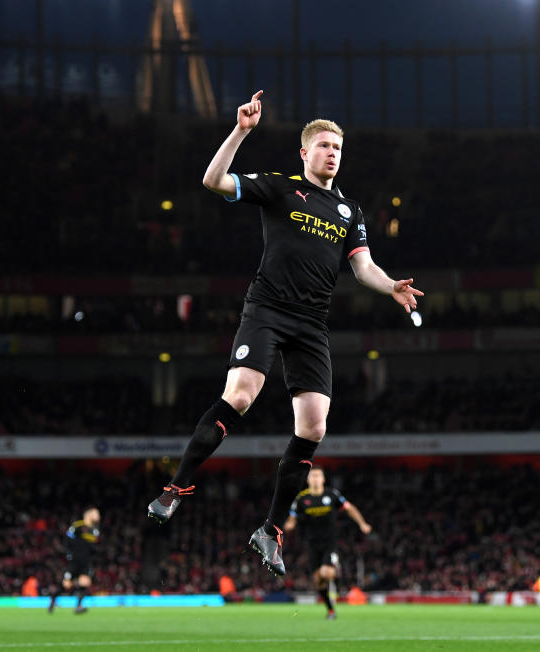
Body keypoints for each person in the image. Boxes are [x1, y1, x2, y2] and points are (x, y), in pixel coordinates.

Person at [147, 90, 422, 577]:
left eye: (337, 147)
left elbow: (363, 268)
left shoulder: (350, 212)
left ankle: (270, 530)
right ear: (304, 152)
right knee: (242, 394)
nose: (332, 153)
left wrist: (391, 286)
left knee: (314, 427)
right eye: (323, 146)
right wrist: (241, 132)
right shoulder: (279, 188)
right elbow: (213, 181)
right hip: (268, 309)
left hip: (311, 325)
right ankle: (176, 488)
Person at [283, 466, 372, 619]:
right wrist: (290, 525)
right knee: (318, 581)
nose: (315, 479)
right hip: (311, 544)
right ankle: (331, 610)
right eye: (313, 476)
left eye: (318, 476)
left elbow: (349, 508)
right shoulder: (302, 499)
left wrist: (362, 523)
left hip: (329, 543)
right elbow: (292, 518)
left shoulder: (332, 495)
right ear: (308, 480)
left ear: (323, 479)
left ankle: (336, 569)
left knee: (325, 573)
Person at [48, 507, 101, 614]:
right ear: (89, 514)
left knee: (85, 582)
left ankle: (79, 606)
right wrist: (68, 554)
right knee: (67, 585)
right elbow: (67, 539)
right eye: (96, 513)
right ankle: (53, 599)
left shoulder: (95, 530)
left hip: (86, 561)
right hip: (74, 560)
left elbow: (93, 546)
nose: (98, 516)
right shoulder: (77, 526)